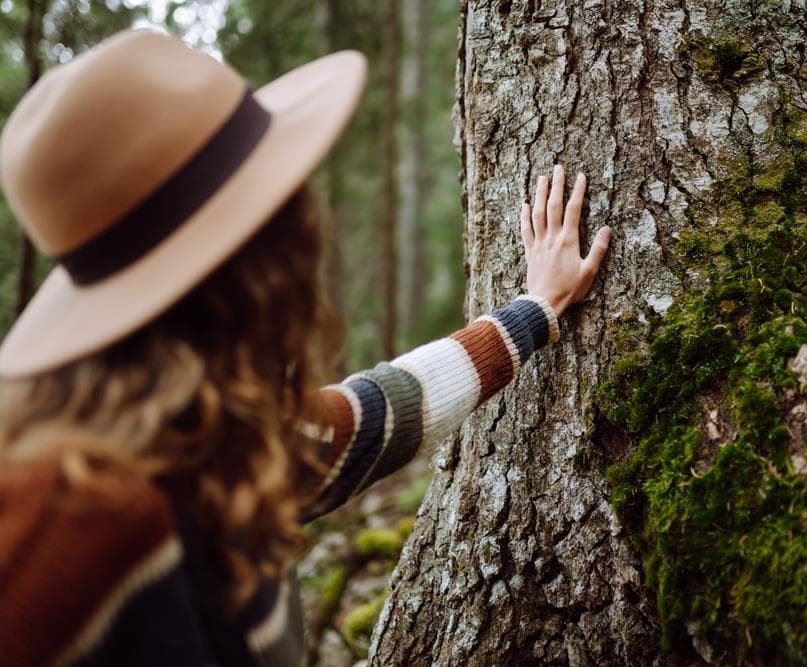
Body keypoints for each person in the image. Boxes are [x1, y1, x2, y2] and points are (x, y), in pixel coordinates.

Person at [0, 28, 611, 667]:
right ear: (264, 264)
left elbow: (381, 416)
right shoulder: (60, 530)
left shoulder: (212, 436)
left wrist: (535, 309)